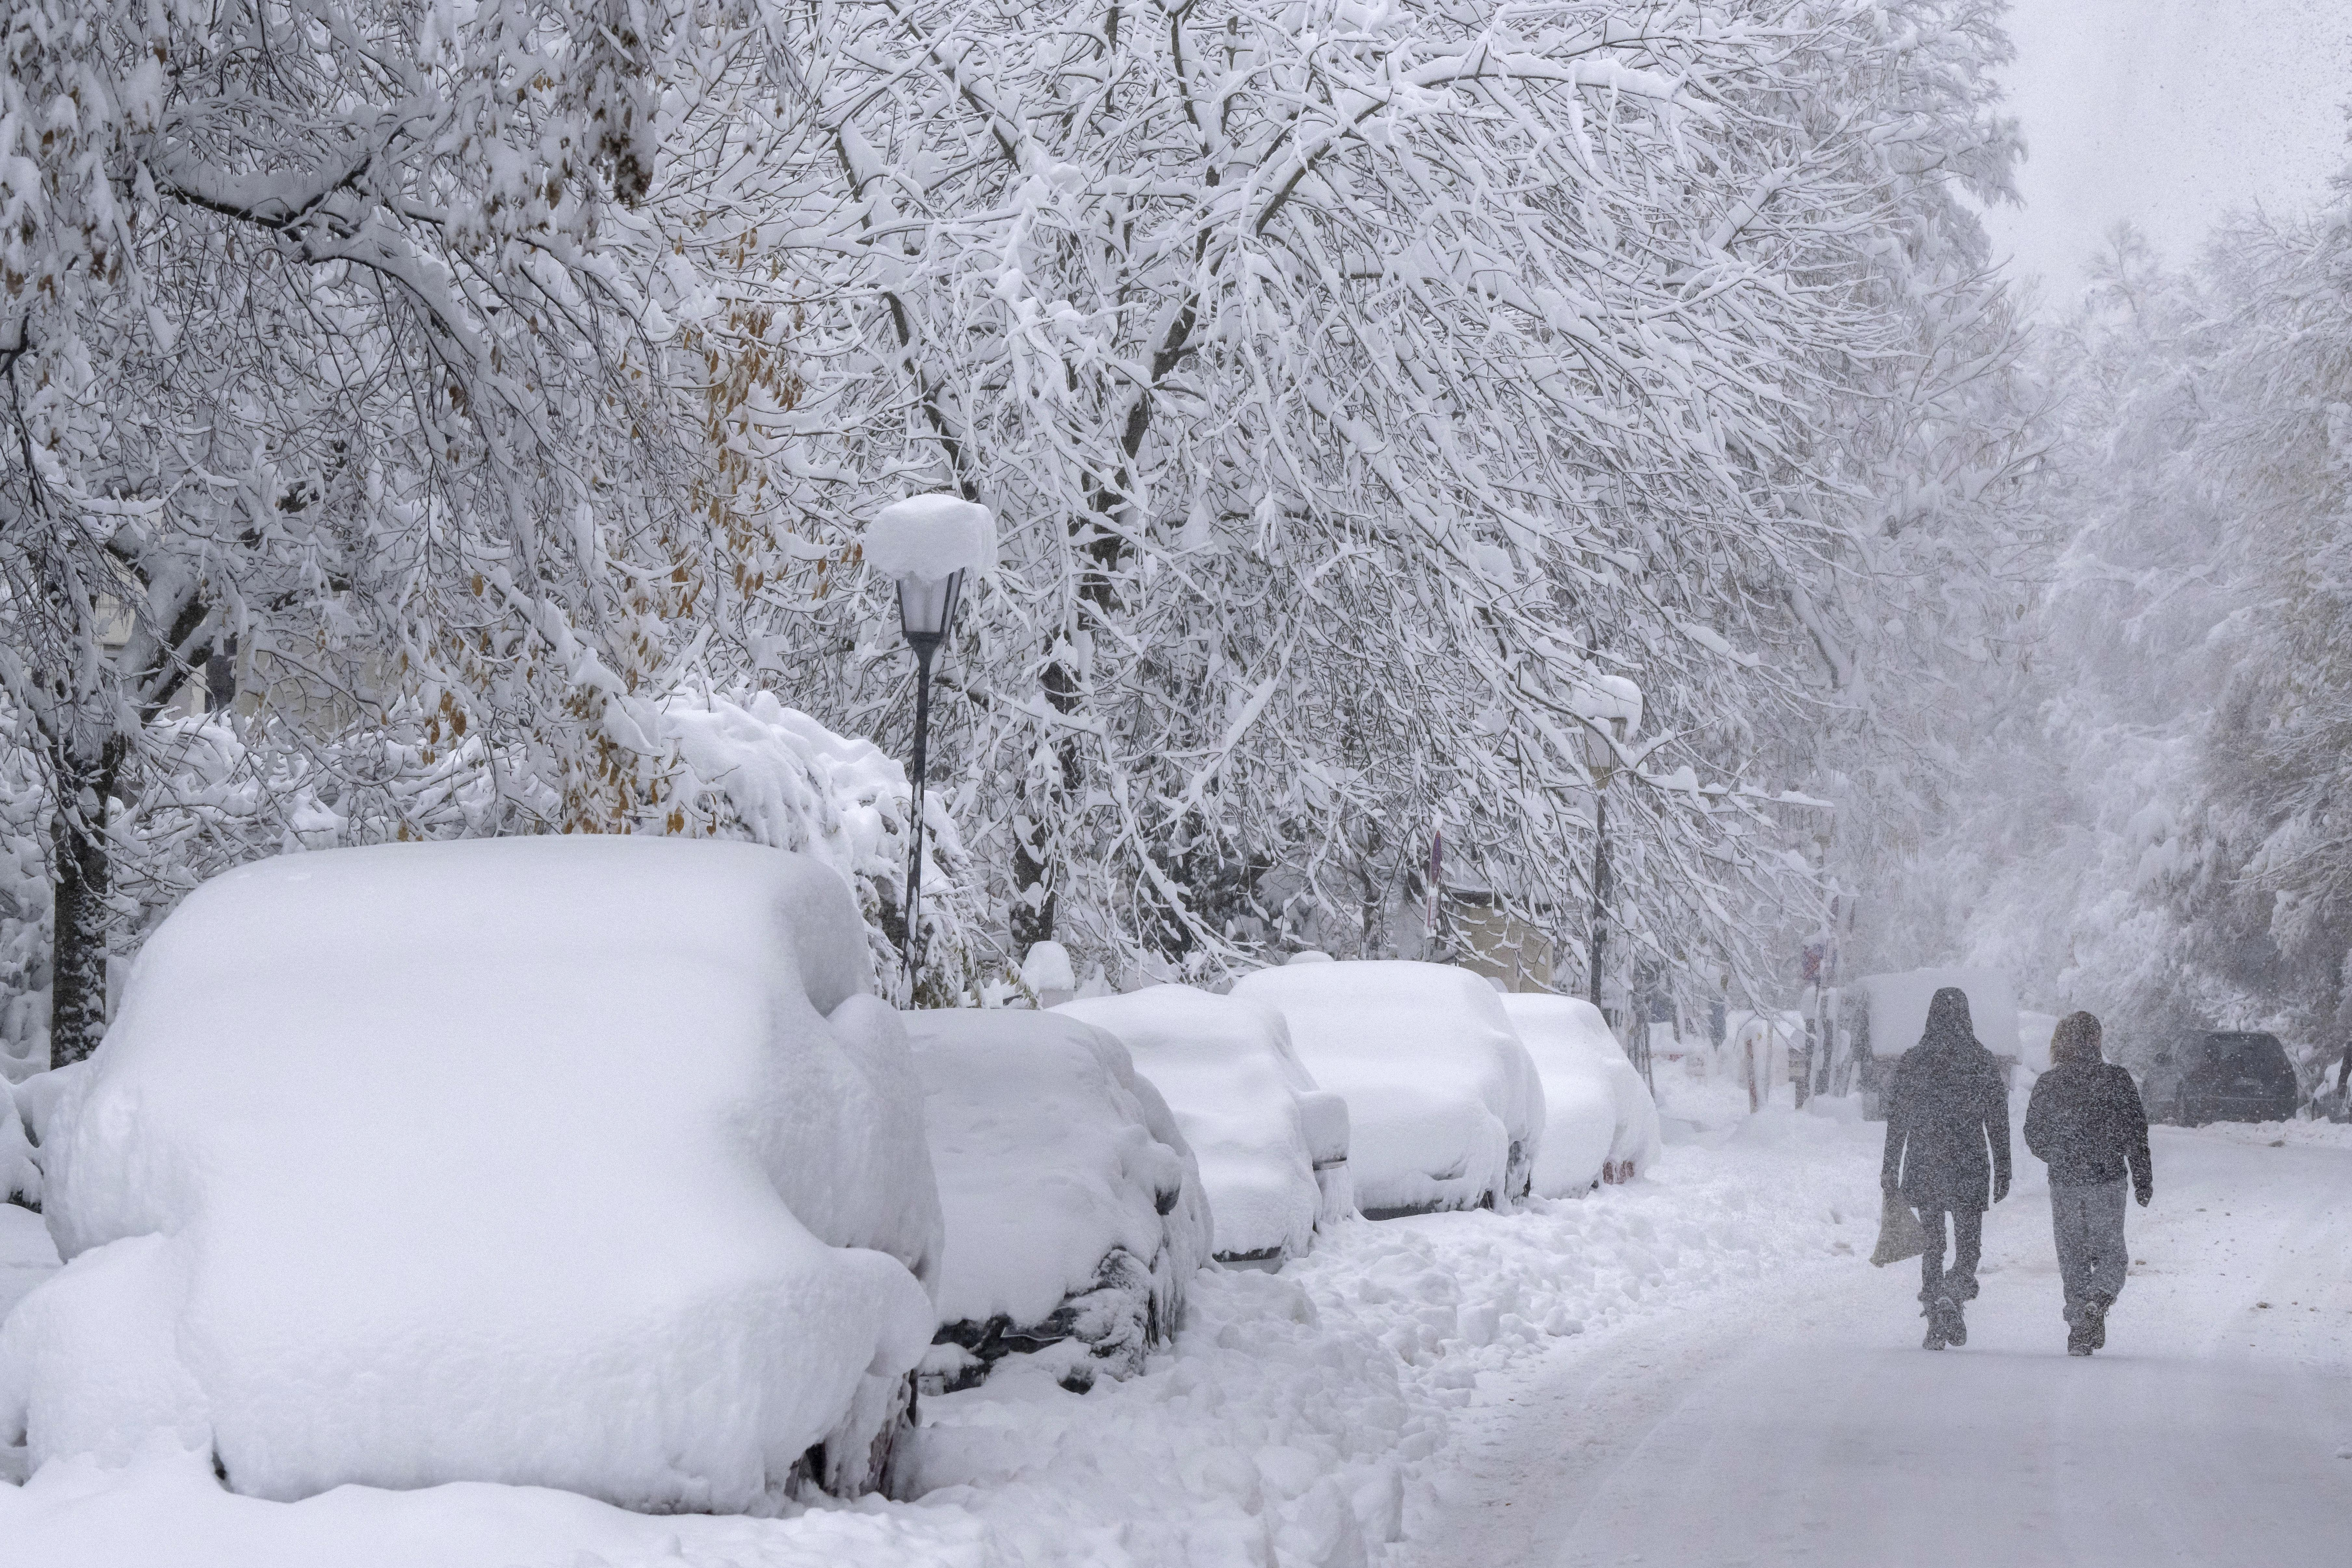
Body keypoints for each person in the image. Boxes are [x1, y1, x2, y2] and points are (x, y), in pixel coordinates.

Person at [1881, 987, 2011, 1350]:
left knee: (1932, 1244)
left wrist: (1889, 1166)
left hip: (1926, 1158)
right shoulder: (1980, 1059)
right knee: (1968, 1247)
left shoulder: (1914, 1059)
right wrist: (2003, 1166)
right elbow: (1997, 1119)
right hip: (1968, 1160)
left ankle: (1935, 1316)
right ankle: (1953, 1293)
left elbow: (1898, 1119)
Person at [2023, 1011, 2153, 1356]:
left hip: (2065, 1182)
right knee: (2111, 1251)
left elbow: (2033, 1134)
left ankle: (2079, 1324)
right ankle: (2098, 1298)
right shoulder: (2116, 1080)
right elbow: (2135, 1132)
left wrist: (2060, 1154)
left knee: (2071, 1253)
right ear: (2095, 1040)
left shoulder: (2049, 1083)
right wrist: (2142, 1176)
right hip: (2107, 1178)